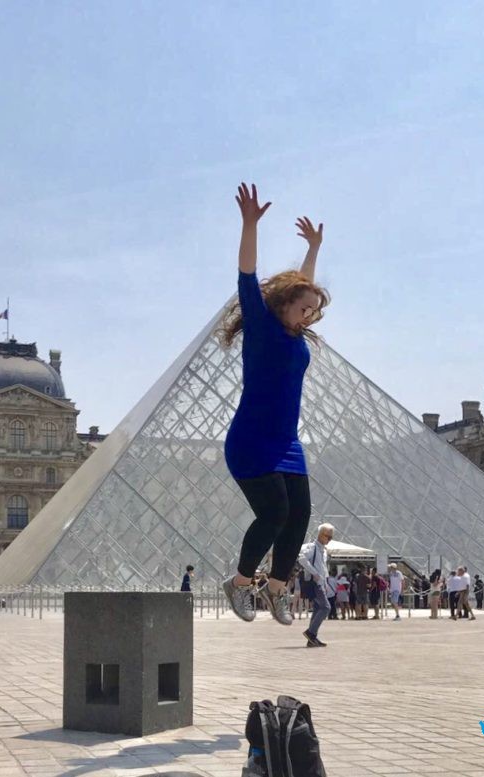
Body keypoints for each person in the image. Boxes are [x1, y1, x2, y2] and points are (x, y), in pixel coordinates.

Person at [219, 183, 329, 626]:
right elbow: (248, 276)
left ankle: (278, 588)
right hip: (251, 440)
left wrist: (314, 249)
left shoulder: (294, 334)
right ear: (285, 304)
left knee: (299, 514)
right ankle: (241, 582)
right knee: (275, 512)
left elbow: (303, 287)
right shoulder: (263, 327)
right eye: (304, 308)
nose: (309, 315)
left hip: (286, 442)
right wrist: (249, 225)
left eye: (312, 311)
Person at [298, 524, 335, 646]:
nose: (329, 539)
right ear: (320, 535)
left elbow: (323, 569)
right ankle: (311, 633)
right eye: (327, 536)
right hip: (314, 583)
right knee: (326, 607)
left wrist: (325, 583)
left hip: (320, 583)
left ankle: (311, 639)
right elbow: (301, 558)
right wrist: (314, 573)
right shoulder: (311, 547)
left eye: (331, 537)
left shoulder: (323, 551)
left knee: (318, 608)